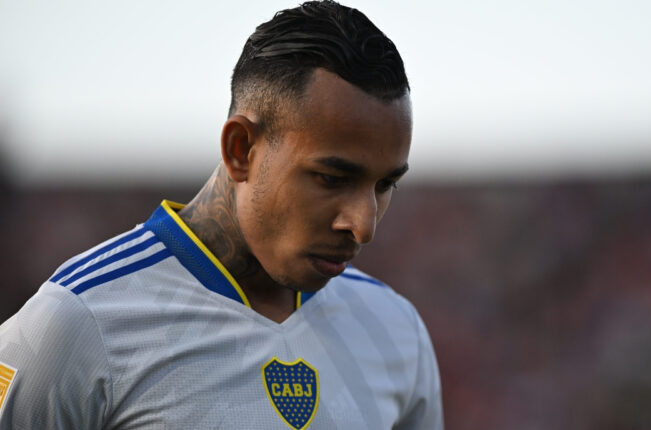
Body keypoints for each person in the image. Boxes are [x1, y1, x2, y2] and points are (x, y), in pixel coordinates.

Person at [0, 1, 443, 429]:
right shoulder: (75, 322)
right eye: (331, 178)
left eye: (385, 185)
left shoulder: (396, 331)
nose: (363, 226)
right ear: (241, 149)